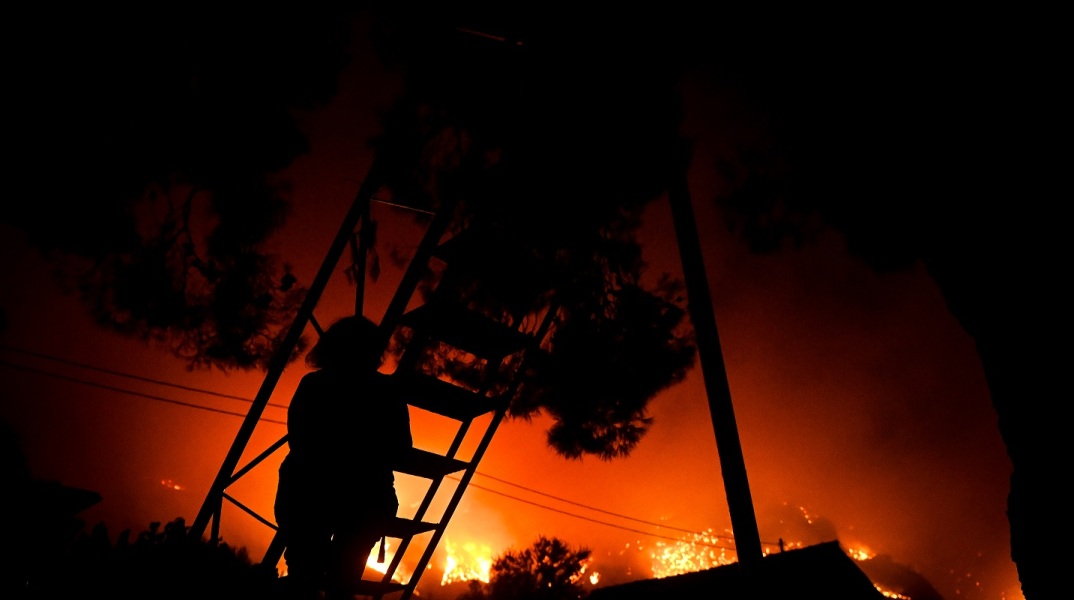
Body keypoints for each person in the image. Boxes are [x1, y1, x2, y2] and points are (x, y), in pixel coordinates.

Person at [273, 315, 412, 600]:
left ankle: (308, 574)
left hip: (309, 496)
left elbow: (299, 442)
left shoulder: (313, 385)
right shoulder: (388, 392)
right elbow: (402, 450)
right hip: (366, 502)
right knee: (343, 577)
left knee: (305, 573)